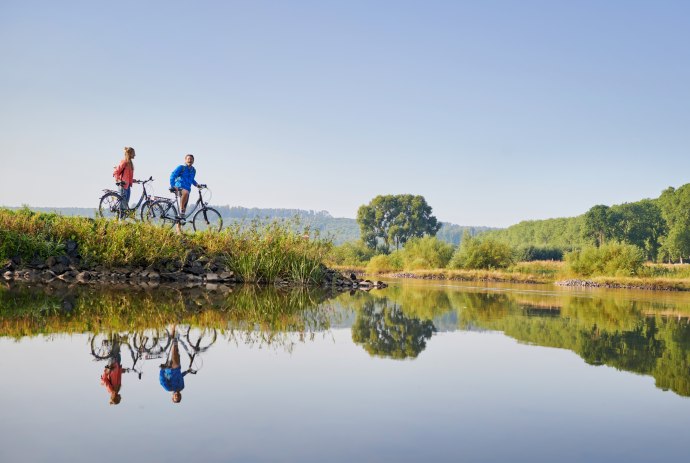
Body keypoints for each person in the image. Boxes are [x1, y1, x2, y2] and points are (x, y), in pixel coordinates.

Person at [169, 154, 202, 233]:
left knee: (183, 212)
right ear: (185, 160)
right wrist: (173, 186)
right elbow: (173, 175)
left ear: (193, 161)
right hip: (179, 187)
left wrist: (197, 184)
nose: (190, 160)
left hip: (187, 189)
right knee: (183, 204)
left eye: (191, 159)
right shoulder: (181, 167)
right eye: (188, 159)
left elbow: (192, 180)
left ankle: (178, 230)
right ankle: (181, 210)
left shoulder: (193, 170)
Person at [160, 326, 188, 403]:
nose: (177, 396)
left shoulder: (169, 388)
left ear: (172, 397)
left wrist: (162, 370)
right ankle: (173, 330)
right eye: (178, 397)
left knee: (174, 350)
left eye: (175, 397)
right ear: (180, 396)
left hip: (170, 369)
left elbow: (162, 380)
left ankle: (174, 334)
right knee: (176, 349)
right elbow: (180, 376)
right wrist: (187, 372)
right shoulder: (182, 387)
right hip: (178, 368)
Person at [113, 147, 136, 218]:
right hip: (123, 186)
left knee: (125, 203)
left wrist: (133, 180)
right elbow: (116, 172)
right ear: (129, 154)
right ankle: (119, 219)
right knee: (122, 204)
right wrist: (118, 180)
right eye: (133, 153)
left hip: (128, 186)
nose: (135, 155)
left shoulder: (130, 163)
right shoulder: (124, 162)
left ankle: (122, 219)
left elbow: (127, 176)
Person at [100, 335, 123, 405]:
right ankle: (114, 332)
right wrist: (121, 369)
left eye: (119, 398)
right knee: (117, 350)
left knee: (113, 350)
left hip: (111, 366)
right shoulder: (118, 389)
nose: (120, 397)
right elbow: (119, 376)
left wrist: (107, 370)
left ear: (115, 397)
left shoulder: (110, 390)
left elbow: (104, 379)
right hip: (117, 365)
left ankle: (107, 341)